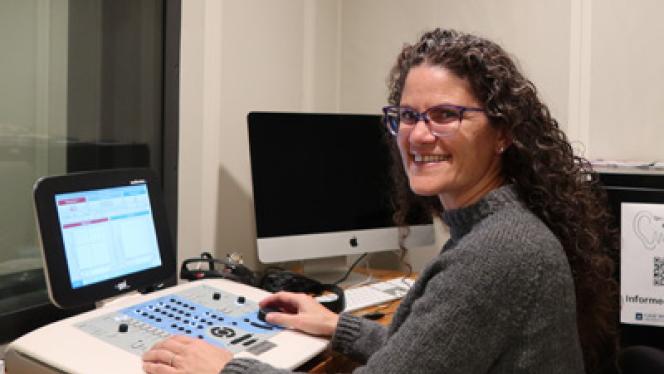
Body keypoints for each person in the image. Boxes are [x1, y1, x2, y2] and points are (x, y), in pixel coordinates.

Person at [142, 28, 618, 374]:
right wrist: (339, 327)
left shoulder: (496, 254)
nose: (418, 133)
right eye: (407, 115)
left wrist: (226, 369)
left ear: (503, 133)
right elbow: (433, 350)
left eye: (445, 114)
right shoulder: (497, 230)